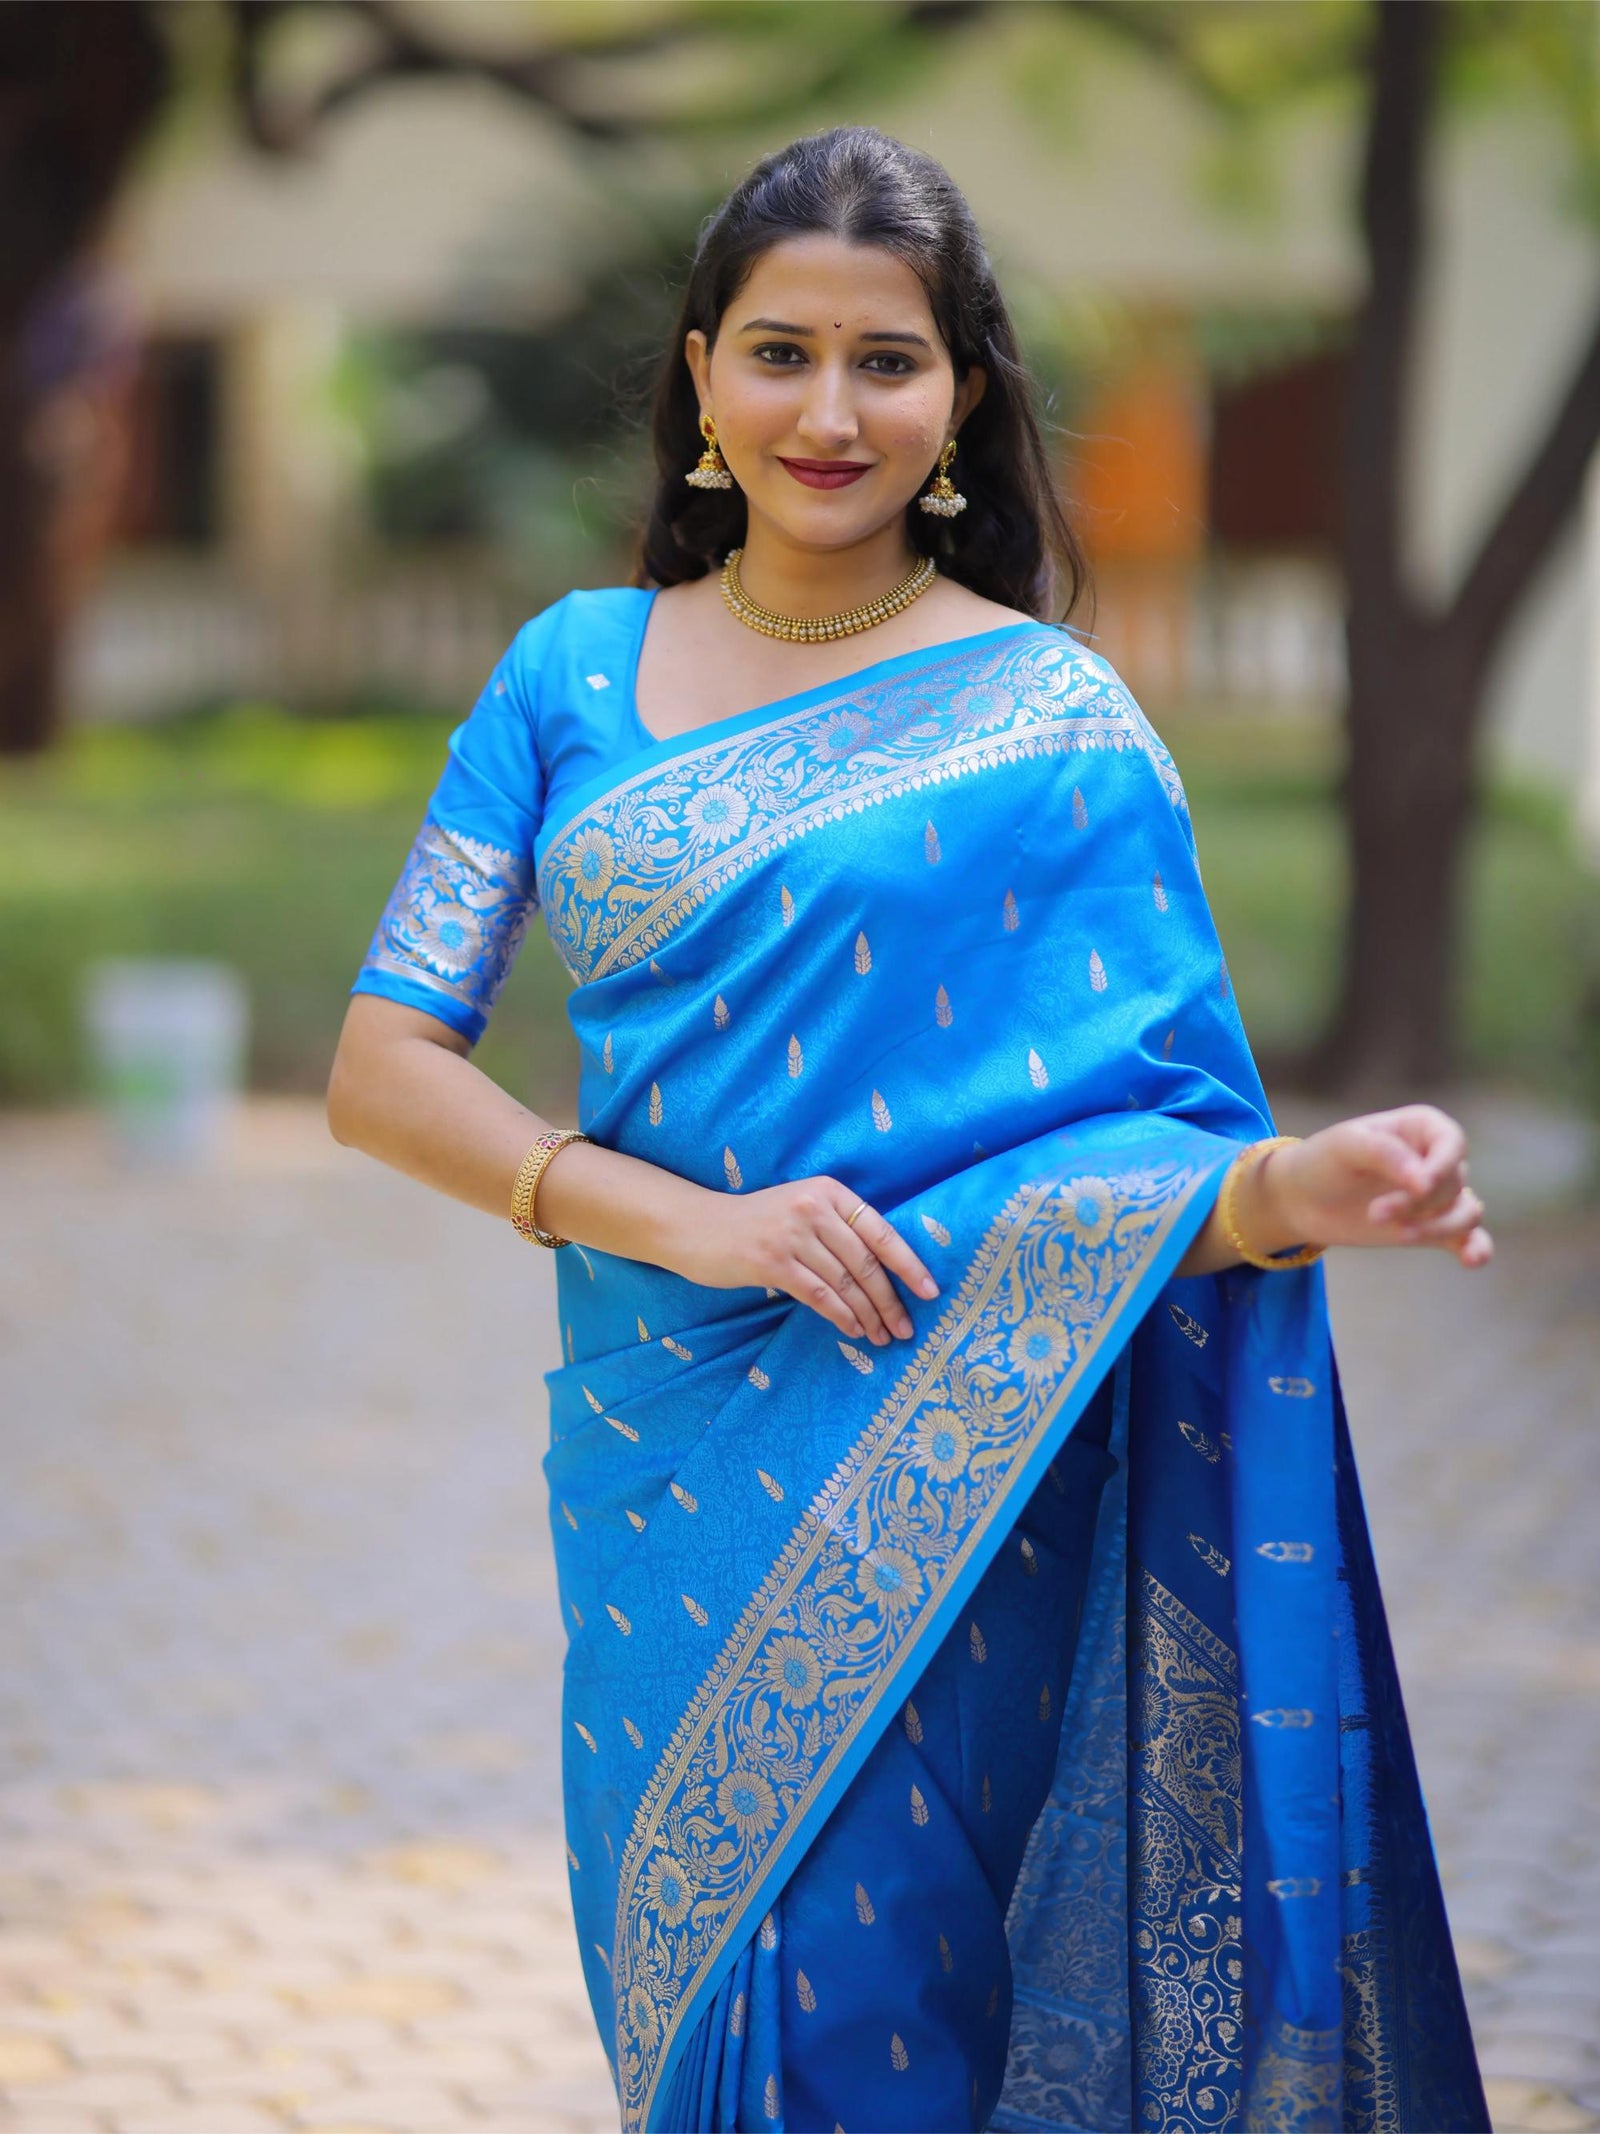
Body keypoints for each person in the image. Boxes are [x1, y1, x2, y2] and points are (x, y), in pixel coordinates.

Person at [328, 126, 1491, 2134]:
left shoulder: (1047, 718)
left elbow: (1143, 1130)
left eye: (888, 359)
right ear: (698, 374)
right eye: (779, 352)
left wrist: (1293, 1189)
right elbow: (378, 1065)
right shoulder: (563, 678)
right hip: (660, 1434)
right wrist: (684, 1225)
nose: (829, 409)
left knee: (873, 1993)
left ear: (960, 395)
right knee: (698, 1995)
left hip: (949, 1452)